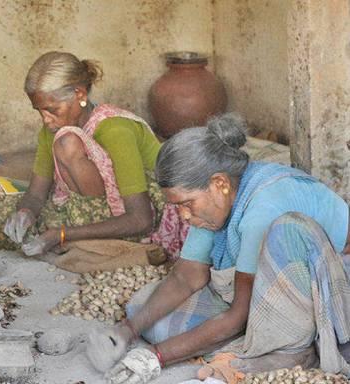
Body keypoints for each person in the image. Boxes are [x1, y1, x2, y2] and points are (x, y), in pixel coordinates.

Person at [86, 113, 350, 382]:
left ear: (220, 183)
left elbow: (238, 314)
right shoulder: (212, 204)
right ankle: (259, 341)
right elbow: (186, 277)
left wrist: (156, 356)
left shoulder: (261, 208)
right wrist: (127, 330)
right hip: (258, 292)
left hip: (332, 286)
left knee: (288, 230)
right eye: (177, 206)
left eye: (187, 204)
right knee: (144, 310)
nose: (183, 216)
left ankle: (295, 350)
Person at [0, 51, 187, 258]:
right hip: (83, 209)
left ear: (79, 94)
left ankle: (84, 234)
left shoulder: (115, 129)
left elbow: (141, 219)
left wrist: (62, 234)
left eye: (52, 110)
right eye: (39, 111)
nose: (46, 119)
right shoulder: (50, 129)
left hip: (145, 212)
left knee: (67, 144)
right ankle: (79, 233)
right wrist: (25, 213)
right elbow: (36, 194)